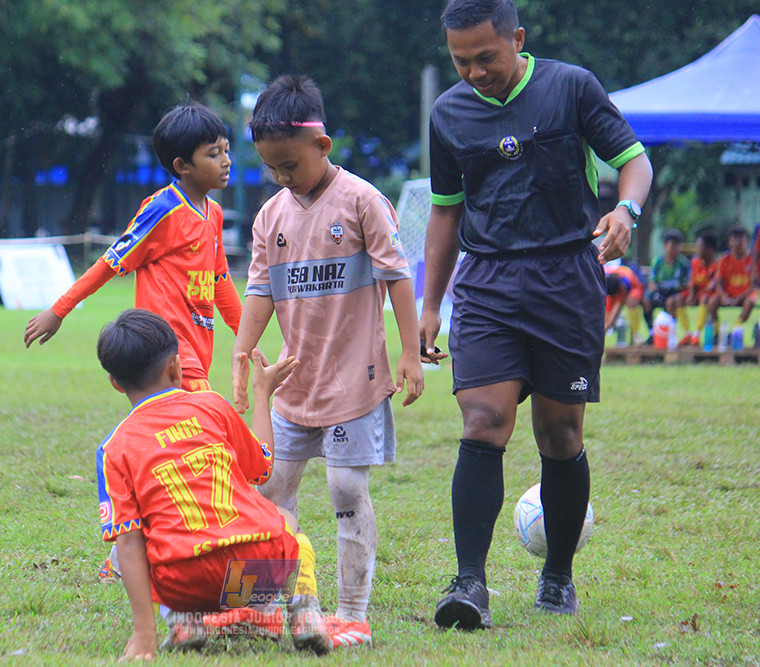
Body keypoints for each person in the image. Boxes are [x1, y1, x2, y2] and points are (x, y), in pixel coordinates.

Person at [418, 0, 652, 629]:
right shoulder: (449, 114)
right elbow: (445, 210)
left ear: (517, 39)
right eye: (460, 61)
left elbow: (634, 160)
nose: (473, 72)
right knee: (484, 420)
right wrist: (429, 303)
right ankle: (469, 583)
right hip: (488, 283)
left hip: (564, 280)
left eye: (486, 57)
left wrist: (624, 213)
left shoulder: (569, 87)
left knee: (560, 435)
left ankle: (557, 578)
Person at [231, 74, 424, 648]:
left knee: (344, 488)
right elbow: (261, 290)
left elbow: (397, 278)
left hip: (356, 383)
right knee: (269, 491)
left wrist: (410, 354)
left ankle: (352, 613)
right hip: (293, 386)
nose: (282, 177)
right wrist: (243, 353)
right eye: (271, 167)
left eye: (290, 164)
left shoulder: (363, 201)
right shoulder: (271, 217)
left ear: (323, 146)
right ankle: (262, 603)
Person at [95, 309, 332, 658]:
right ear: (176, 367)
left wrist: (143, 634)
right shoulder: (212, 406)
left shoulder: (113, 448)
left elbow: (129, 542)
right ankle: (305, 611)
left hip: (181, 586)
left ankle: (182, 621)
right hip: (256, 579)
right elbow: (263, 468)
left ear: (115, 382)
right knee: (287, 522)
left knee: (136, 535)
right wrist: (262, 393)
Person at [24, 102, 242, 394]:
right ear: (182, 166)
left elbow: (220, 281)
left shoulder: (213, 213)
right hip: (166, 346)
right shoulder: (162, 210)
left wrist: (246, 338)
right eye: (214, 154)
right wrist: (59, 310)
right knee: (207, 417)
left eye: (226, 150)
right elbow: (109, 263)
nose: (226, 160)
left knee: (174, 433)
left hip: (198, 349)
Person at [707, 225, 757, 337]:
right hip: (728, 294)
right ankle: (716, 331)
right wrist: (724, 296)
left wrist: (739, 298)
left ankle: (735, 329)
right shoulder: (724, 259)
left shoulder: (752, 260)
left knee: (751, 301)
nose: (738, 242)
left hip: (745, 295)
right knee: (712, 301)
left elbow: (753, 285)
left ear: (747, 241)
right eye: (735, 238)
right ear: (730, 241)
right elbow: (718, 282)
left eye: (741, 238)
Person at [642, 229, 691, 335]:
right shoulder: (658, 262)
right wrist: (656, 292)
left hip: (675, 292)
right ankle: (651, 332)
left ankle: (670, 332)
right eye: (671, 245)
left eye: (677, 245)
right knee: (646, 300)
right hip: (659, 291)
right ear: (665, 245)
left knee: (671, 302)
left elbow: (686, 283)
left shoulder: (683, 264)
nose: (673, 248)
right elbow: (652, 281)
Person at [682, 230, 719, 345]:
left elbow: (715, 284)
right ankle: (687, 333)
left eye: (700, 246)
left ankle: (697, 334)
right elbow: (692, 281)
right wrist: (691, 295)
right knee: (676, 300)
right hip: (697, 292)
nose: (697, 249)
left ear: (710, 249)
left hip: (711, 294)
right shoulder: (695, 262)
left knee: (705, 299)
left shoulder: (717, 263)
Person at [604, 263, 644, 342]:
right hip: (614, 289)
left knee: (631, 301)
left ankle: (635, 333)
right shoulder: (609, 280)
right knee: (607, 316)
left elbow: (618, 306)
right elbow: (608, 317)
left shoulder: (625, 281)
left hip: (634, 287)